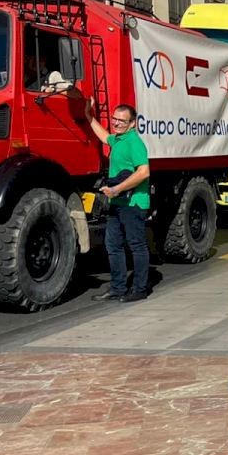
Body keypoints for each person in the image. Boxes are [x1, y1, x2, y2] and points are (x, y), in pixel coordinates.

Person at [84, 97, 151, 302]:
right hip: (118, 202)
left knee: (137, 245)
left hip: (133, 203)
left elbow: (144, 172)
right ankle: (118, 288)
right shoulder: (118, 140)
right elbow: (104, 137)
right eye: (114, 119)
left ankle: (139, 289)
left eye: (122, 120)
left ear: (132, 123)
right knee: (113, 245)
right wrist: (88, 116)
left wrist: (116, 189)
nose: (116, 123)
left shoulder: (134, 142)